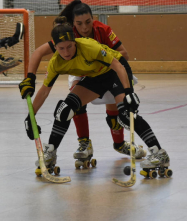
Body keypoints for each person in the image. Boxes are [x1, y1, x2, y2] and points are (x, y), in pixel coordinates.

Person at [22, 16, 170, 175]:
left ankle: (158, 153)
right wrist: (30, 116)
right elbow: (44, 91)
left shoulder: (89, 47)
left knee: (126, 114)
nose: (66, 52)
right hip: (95, 78)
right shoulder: (56, 63)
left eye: (70, 46)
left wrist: (128, 93)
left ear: (75, 42)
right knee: (64, 110)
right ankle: (50, 152)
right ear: (55, 48)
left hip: (114, 72)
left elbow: (118, 65)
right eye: (61, 48)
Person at [19, 0, 145, 162]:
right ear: (73, 24)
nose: (84, 28)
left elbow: (124, 54)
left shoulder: (102, 29)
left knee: (117, 106)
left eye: (87, 23)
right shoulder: (68, 35)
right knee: (74, 98)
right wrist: (30, 78)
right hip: (80, 71)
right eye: (79, 24)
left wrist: (99, 56)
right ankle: (84, 142)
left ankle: (119, 143)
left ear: (93, 19)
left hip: (105, 69)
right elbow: (38, 53)